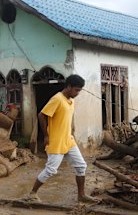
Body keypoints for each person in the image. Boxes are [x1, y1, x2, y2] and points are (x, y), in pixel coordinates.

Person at [26, 74, 97, 203]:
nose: (78, 93)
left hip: (68, 140)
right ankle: (32, 193)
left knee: (81, 166)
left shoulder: (71, 100)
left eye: (79, 90)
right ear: (69, 86)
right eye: (76, 90)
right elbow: (41, 115)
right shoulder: (57, 99)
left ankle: (81, 195)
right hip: (56, 141)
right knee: (51, 170)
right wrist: (46, 136)